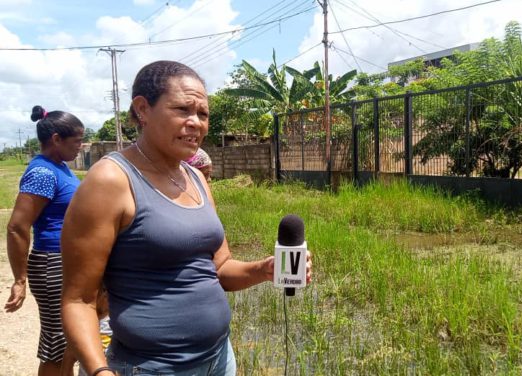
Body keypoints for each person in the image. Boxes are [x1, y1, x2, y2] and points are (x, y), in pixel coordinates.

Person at [60, 60, 312, 376]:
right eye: (183, 110)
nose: (195, 122)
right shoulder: (111, 181)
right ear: (143, 109)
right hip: (150, 367)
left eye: (203, 114)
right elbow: (78, 300)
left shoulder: (195, 178)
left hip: (219, 359)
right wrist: (99, 371)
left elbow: (220, 267)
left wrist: (264, 270)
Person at [5, 105, 84, 376]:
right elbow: (17, 227)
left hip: (65, 262)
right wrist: (19, 280)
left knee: (70, 340)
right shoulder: (43, 173)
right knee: (58, 344)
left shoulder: (60, 167)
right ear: (56, 140)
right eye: (77, 141)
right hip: (53, 264)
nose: (81, 147)